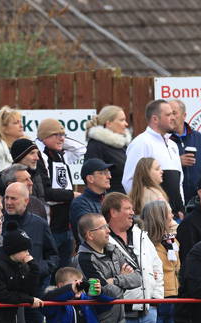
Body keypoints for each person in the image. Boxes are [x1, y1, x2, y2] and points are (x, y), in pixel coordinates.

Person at [3, 182, 58, 323]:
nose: (8, 202)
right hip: (7, 297)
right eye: (6, 197)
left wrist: (38, 269)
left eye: (13, 198)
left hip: (33, 296)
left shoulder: (40, 224)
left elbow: (54, 256)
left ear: (26, 201)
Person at [104, 192, 162, 323]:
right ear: (113, 212)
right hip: (121, 316)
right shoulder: (102, 240)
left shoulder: (141, 235)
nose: (132, 212)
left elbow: (157, 267)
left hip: (147, 313)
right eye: (127, 208)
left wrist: (155, 300)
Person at [122, 100, 183, 215]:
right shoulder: (141, 143)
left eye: (173, 114)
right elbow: (129, 180)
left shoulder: (173, 145)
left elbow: (179, 182)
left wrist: (181, 207)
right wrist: (145, 211)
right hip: (153, 218)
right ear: (155, 119)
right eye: (168, 115)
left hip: (173, 216)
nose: (173, 118)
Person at [34, 119, 78, 267]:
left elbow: (81, 149)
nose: (62, 139)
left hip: (66, 227)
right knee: (49, 277)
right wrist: (72, 196)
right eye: (57, 135)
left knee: (64, 276)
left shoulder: (59, 154)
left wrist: (57, 142)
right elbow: (46, 194)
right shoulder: (39, 157)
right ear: (44, 137)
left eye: (63, 134)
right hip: (51, 229)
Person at [143, 200, 180, 323]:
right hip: (158, 302)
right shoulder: (146, 244)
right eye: (168, 212)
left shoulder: (173, 241)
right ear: (160, 217)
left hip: (175, 300)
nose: (172, 215)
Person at [168, 99, 201, 202]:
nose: (171, 117)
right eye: (168, 114)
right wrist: (177, 162)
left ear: (184, 115)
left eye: (174, 113)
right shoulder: (163, 140)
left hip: (198, 200)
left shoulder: (199, 138)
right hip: (173, 201)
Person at [85, 105, 131, 194]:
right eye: (122, 120)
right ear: (109, 123)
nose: (126, 124)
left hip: (126, 201)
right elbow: (92, 178)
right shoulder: (95, 146)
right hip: (110, 203)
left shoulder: (123, 145)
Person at [69, 158, 112, 243]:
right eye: (104, 173)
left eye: (109, 172)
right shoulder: (80, 203)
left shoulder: (110, 200)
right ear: (90, 178)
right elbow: (90, 235)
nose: (109, 176)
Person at [0, 106, 24, 171]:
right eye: (16, 123)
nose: (22, 125)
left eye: (21, 122)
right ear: (4, 129)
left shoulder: (24, 146)